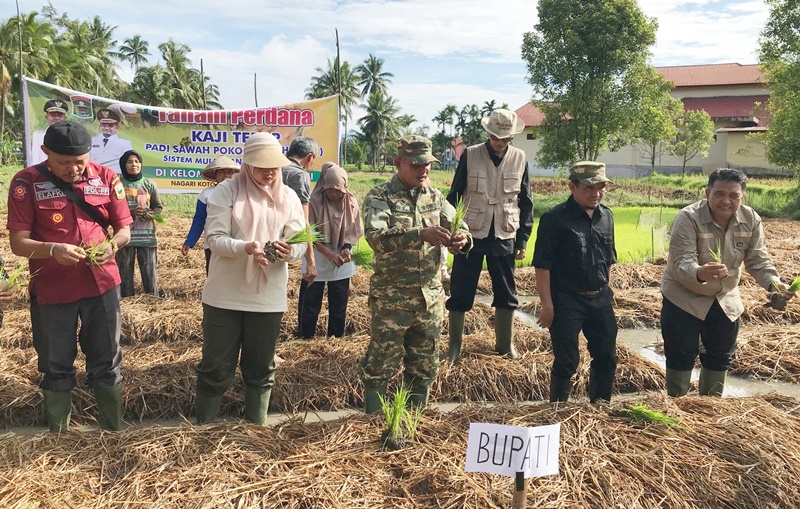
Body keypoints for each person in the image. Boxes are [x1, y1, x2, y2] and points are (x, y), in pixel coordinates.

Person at [7, 120, 132, 432]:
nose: (74, 169)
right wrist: (52, 250)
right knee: (55, 363)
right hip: (52, 290)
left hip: (102, 284)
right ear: (46, 152)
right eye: (64, 163)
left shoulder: (106, 178)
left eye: (80, 161)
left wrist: (112, 246)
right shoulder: (26, 183)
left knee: (107, 359)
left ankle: (112, 428)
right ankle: (59, 433)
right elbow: (18, 243)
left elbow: (124, 230)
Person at [194, 132, 306, 425]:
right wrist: (244, 247)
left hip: (267, 297)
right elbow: (214, 239)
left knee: (260, 367)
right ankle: (204, 427)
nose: (269, 172)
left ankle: (255, 428)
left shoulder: (289, 196)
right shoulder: (227, 191)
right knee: (216, 364)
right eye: (261, 165)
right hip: (224, 295)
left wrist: (288, 250)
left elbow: (300, 242)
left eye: (274, 166)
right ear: (246, 164)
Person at [360, 135, 471, 413]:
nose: (424, 170)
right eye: (416, 164)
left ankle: (412, 422)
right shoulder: (380, 196)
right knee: (380, 364)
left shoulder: (434, 197)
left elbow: (462, 227)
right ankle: (375, 423)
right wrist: (419, 234)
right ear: (399, 163)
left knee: (424, 366)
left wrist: (461, 240)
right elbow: (376, 238)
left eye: (428, 165)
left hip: (429, 300)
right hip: (392, 302)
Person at [661, 168, 791, 397]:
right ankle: (677, 406)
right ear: (707, 192)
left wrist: (773, 283)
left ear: (742, 197)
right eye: (719, 194)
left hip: (724, 297)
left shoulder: (751, 219)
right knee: (681, 353)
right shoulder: (688, 217)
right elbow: (682, 260)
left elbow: (758, 259)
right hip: (684, 296)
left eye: (733, 195)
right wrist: (700, 272)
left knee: (720, 354)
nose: (726, 201)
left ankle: (710, 408)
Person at [445, 108, 533, 363]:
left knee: (506, 292)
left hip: (504, 233)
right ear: (488, 133)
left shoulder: (520, 158)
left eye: (505, 139)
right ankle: (454, 348)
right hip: (471, 233)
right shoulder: (471, 155)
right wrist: (455, 230)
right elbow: (454, 196)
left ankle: (505, 345)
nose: (500, 143)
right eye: (496, 137)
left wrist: (523, 239)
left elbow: (526, 201)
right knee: (461, 290)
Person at [533, 161, 617, 403]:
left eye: (601, 187)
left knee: (606, 356)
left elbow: (608, 259)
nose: (596, 193)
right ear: (572, 186)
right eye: (590, 187)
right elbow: (542, 266)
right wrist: (548, 305)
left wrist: (607, 292)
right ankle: (557, 410)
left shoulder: (607, 216)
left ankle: (600, 407)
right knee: (567, 360)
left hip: (600, 298)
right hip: (567, 300)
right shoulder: (554, 219)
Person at [297, 162, 363, 339]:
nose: (335, 194)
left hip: (341, 260)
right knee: (310, 302)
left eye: (338, 190)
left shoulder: (350, 201)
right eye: (331, 190)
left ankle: (335, 339)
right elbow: (309, 232)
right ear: (324, 186)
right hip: (316, 258)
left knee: (339, 303)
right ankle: (305, 339)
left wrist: (346, 249)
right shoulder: (314, 201)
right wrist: (328, 254)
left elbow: (353, 228)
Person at [181, 156, 240, 274]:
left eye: (229, 172)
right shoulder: (207, 193)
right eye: (221, 171)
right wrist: (190, 241)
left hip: (236, 241)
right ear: (215, 174)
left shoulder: (240, 192)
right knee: (213, 273)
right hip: (212, 241)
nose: (226, 175)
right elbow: (199, 219)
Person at [116, 150, 163, 297]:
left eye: (136, 161)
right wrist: (130, 212)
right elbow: (113, 207)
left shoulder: (149, 184)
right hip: (124, 235)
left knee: (149, 269)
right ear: (124, 165)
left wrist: (149, 214)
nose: (134, 165)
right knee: (124, 269)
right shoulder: (118, 184)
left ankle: (152, 299)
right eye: (129, 162)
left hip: (146, 235)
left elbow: (158, 207)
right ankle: (127, 298)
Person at [281, 136, 318, 284]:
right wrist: (311, 261)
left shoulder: (276, 168)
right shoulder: (299, 175)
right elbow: (304, 220)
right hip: (282, 242)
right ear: (309, 157)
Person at [90, 108, 133, 173]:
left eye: (110, 125)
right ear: (99, 126)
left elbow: (127, 163)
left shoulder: (125, 143)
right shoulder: (91, 141)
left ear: (117, 127)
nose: (106, 128)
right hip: (93, 177)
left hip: (114, 178)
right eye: (103, 125)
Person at [29, 99, 69, 166]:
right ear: (46, 117)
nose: (56, 118)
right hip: (44, 172)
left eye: (59, 115)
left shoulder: (70, 136)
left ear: (65, 117)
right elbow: (35, 160)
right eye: (53, 115)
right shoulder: (38, 136)